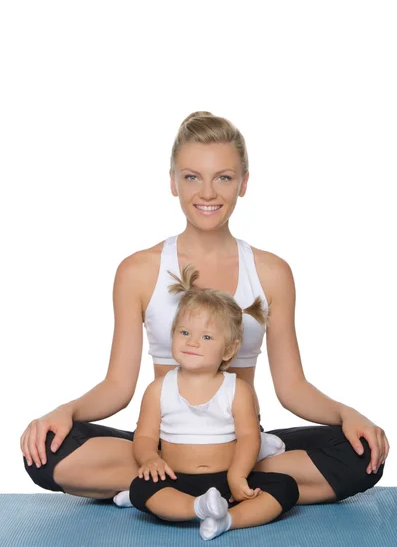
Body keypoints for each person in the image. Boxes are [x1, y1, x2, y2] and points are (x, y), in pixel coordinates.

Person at [21, 111, 389, 506]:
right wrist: (67, 410)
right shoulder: (138, 271)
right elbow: (118, 386)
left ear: (244, 183)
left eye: (224, 178)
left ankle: (176, 488)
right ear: (173, 182)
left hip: (241, 447)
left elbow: (293, 388)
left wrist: (346, 413)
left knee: (362, 454)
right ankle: (229, 489)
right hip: (162, 446)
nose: (208, 193)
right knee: (46, 451)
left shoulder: (271, 272)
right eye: (192, 176)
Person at [118, 263, 299, 541]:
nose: (193, 342)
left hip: (228, 478)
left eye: (206, 337)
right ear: (173, 335)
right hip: (176, 479)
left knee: (286, 488)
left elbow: (249, 438)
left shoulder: (237, 390)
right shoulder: (158, 389)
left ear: (229, 349)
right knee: (141, 490)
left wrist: (238, 477)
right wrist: (150, 459)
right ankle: (197, 507)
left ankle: (227, 520)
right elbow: (144, 436)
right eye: (185, 332)